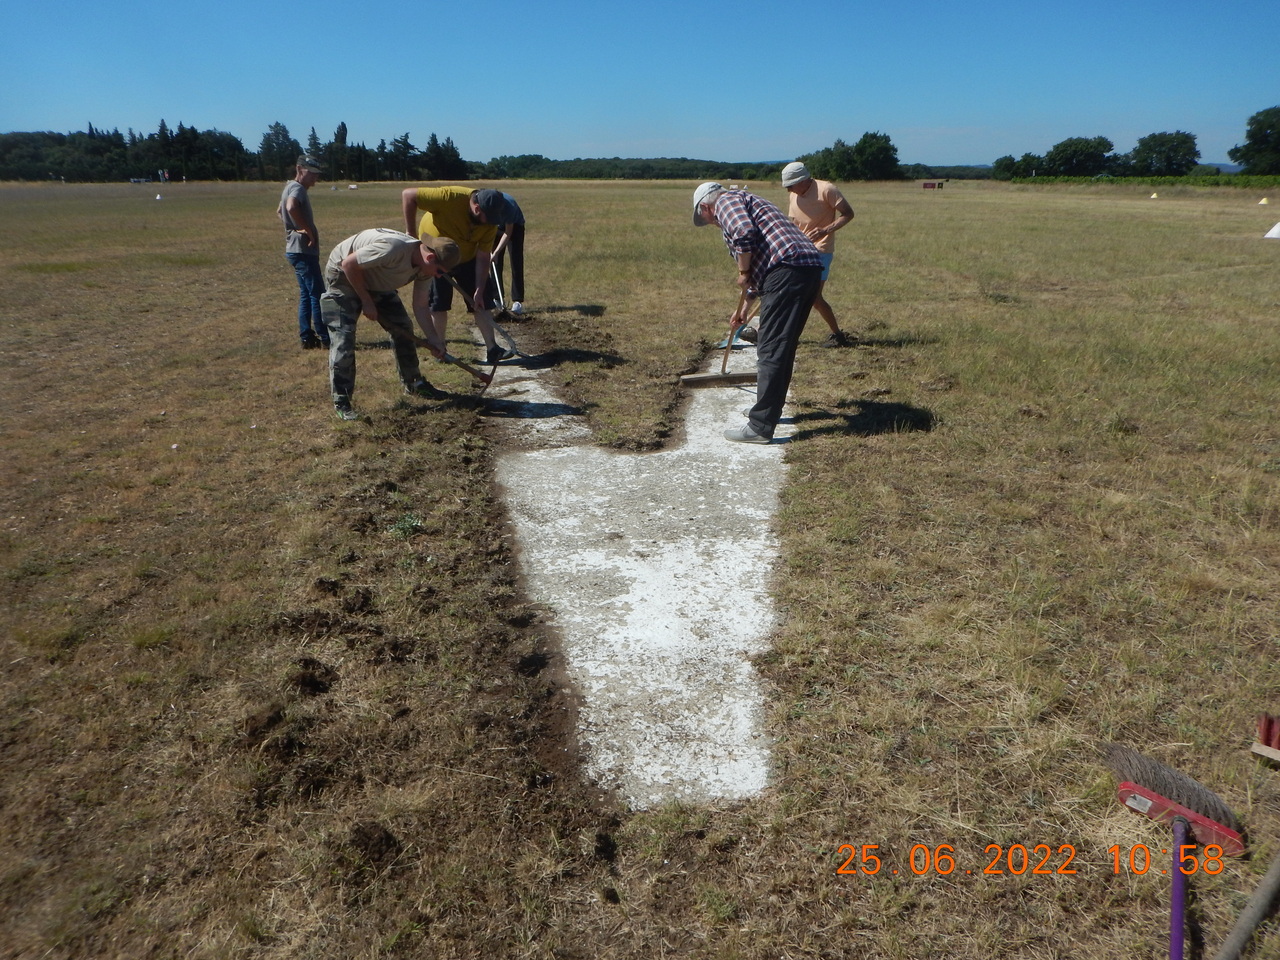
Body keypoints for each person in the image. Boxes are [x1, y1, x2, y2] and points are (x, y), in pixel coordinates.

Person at [692, 182, 823, 443]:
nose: (710, 223)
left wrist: (742, 271)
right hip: (804, 269)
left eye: (704, 218)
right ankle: (768, 410)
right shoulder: (746, 202)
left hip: (787, 270)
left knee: (771, 349)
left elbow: (743, 231)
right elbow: (758, 276)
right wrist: (743, 308)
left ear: (706, 206)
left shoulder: (726, 203)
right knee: (781, 348)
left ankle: (760, 426)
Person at [320, 228, 460, 420]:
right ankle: (342, 401)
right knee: (344, 339)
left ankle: (414, 383)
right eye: (439, 272)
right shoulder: (394, 248)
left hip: (375, 280)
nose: (438, 276)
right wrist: (367, 301)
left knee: (403, 328)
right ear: (430, 258)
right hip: (344, 276)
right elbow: (349, 264)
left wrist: (435, 340)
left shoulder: (425, 270)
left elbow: (420, 306)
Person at [401, 186, 518, 364]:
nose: (492, 223)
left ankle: (493, 349)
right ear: (477, 208)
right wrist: (410, 233)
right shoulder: (450, 197)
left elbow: (483, 255)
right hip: (437, 256)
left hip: (467, 257)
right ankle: (440, 349)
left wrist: (479, 289)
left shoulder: (490, 222)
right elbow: (408, 195)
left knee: (483, 302)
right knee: (438, 303)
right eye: (489, 219)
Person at [781, 161, 856, 348]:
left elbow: (848, 214)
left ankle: (838, 336)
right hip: (800, 249)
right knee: (793, 291)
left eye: (791, 185)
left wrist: (825, 230)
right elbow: (794, 223)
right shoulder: (794, 195)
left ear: (803, 180)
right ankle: (786, 334)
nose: (789, 189)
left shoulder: (827, 189)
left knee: (813, 296)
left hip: (821, 250)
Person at [278, 154, 329, 349]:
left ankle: (307, 337)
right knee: (317, 294)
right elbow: (290, 207)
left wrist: (292, 227)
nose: (315, 177)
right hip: (302, 250)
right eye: (311, 173)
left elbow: (280, 211)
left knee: (307, 294)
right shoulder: (297, 188)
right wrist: (306, 230)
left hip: (295, 249)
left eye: (317, 174)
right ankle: (325, 338)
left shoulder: (290, 187)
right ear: (299, 169)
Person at [490, 192, 526, 314]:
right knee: (495, 262)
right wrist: (492, 252)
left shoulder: (509, 207)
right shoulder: (486, 204)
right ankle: (497, 299)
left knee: (516, 261)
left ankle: (517, 301)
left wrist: (496, 251)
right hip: (495, 228)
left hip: (515, 228)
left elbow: (507, 233)